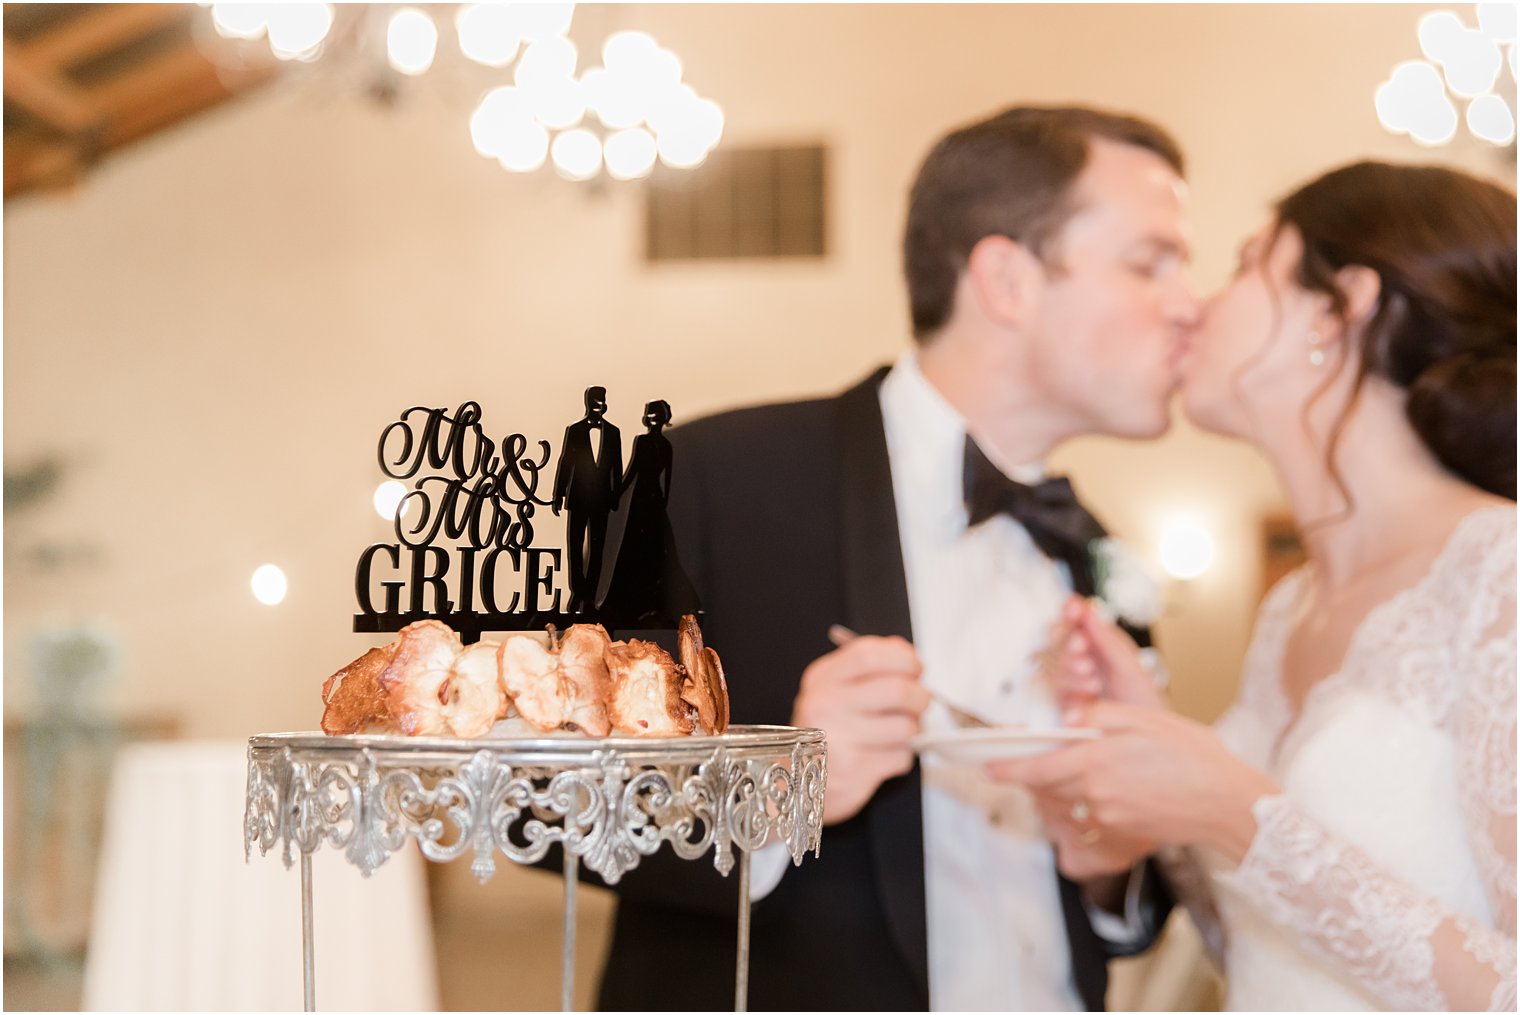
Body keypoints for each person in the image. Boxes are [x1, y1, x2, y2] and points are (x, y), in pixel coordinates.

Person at [594, 105, 1199, 1010]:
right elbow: (532, 803)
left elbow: (1116, 908)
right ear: (1006, 279)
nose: (1191, 303)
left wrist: (1113, 867)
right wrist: (775, 796)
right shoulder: (703, 481)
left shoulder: (1090, 546)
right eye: (1152, 262)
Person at [992, 161, 1516, 1010]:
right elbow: (1265, 950)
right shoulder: (1288, 607)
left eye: (1246, 262)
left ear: (1340, 306)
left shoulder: (1501, 572)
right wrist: (1157, 753)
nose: (1195, 303)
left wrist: (1235, 808)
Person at [597, 399, 700, 624]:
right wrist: (616, 496)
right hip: (640, 499)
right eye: (650, 415)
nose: (653, 420)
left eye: (656, 416)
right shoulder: (642, 441)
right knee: (634, 546)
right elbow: (632, 471)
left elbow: (668, 478)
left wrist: (664, 504)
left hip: (653, 500)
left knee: (656, 548)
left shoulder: (666, 446)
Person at [552, 385, 623, 611]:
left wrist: (615, 496)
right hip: (579, 499)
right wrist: (558, 494)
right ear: (588, 403)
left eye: (601, 401)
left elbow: (617, 466)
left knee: (596, 548)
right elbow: (567, 462)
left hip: (601, 500)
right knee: (575, 546)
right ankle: (577, 592)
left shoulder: (613, 433)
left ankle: (590, 596)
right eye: (595, 401)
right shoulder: (576, 430)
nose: (598, 405)